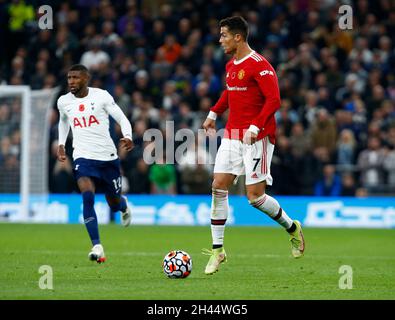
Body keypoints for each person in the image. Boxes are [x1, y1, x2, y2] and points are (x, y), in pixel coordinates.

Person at [202, 16, 305, 275]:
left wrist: (256, 126)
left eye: (224, 35)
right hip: (233, 134)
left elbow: (274, 100)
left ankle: (292, 228)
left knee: (255, 198)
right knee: (218, 186)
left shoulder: (260, 65)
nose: (220, 39)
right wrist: (214, 113)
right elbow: (230, 91)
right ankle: (218, 251)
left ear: (238, 37)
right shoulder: (230, 65)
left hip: (257, 137)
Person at [57, 64, 134, 263]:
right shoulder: (63, 101)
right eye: (69, 78)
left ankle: (123, 205)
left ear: (86, 78)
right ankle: (97, 245)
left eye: (75, 77)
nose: (71, 82)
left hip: (107, 158)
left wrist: (127, 136)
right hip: (82, 156)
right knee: (87, 195)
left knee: (113, 203)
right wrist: (61, 144)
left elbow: (122, 118)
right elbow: (63, 121)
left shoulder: (102, 96)